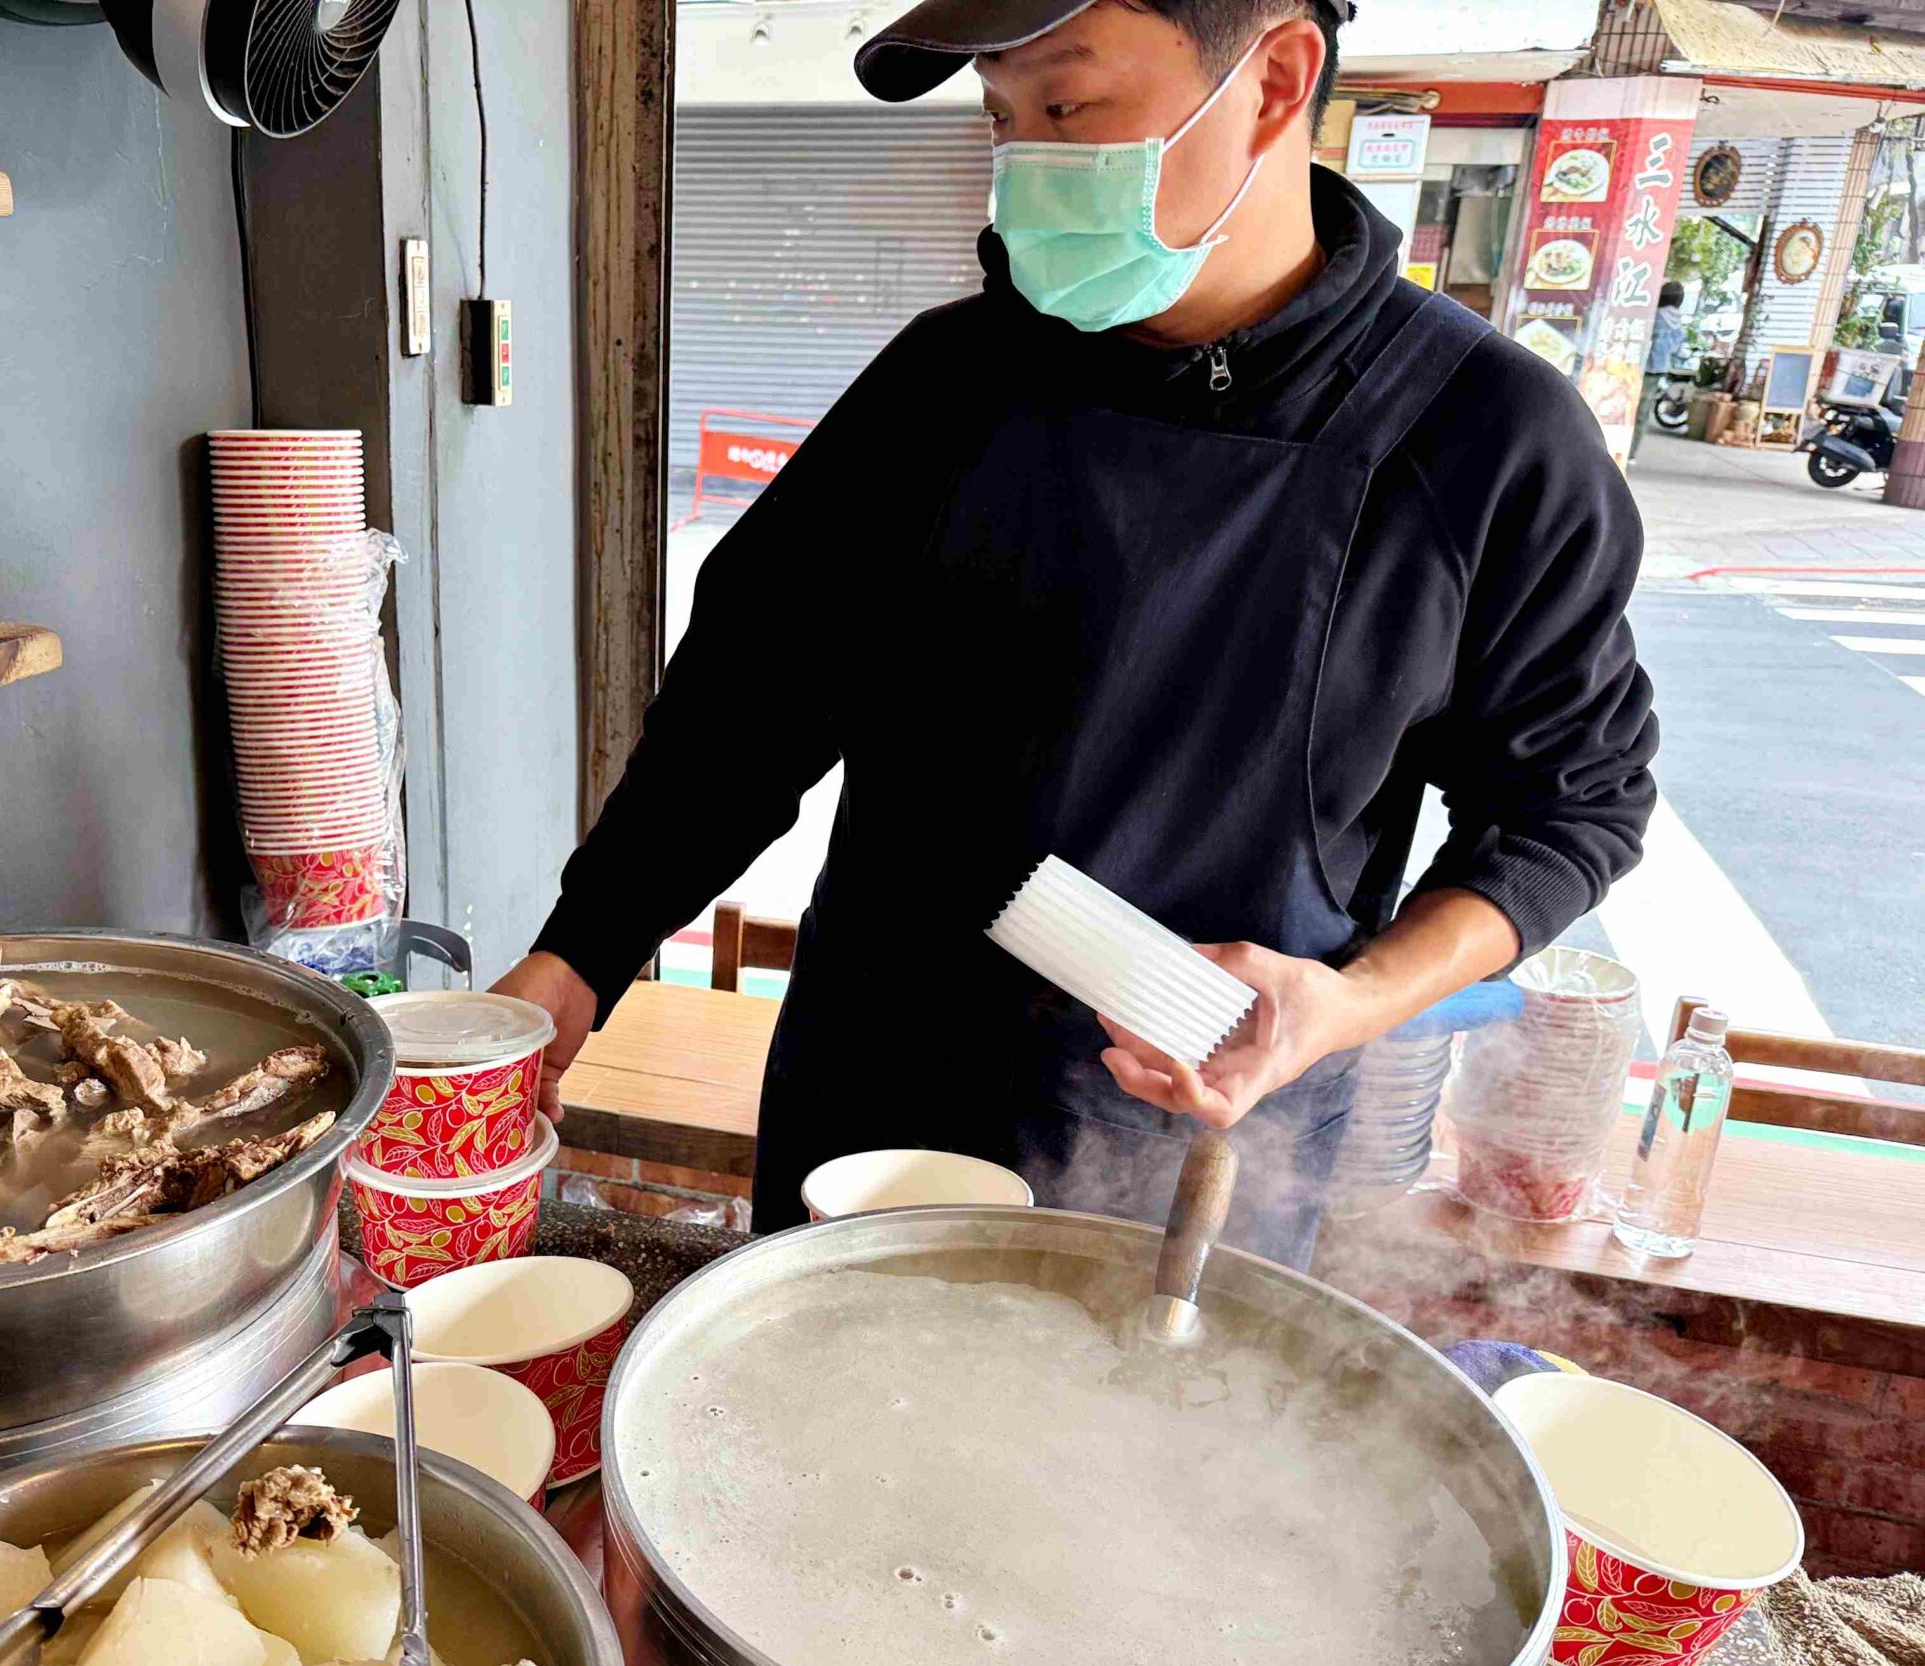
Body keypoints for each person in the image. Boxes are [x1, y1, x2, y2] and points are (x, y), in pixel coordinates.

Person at [495, 0, 1659, 1265]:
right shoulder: (942, 385)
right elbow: (744, 713)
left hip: (1196, 1151)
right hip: (870, 1112)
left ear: (1273, 80)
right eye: (1001, 115)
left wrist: (1345, 1002)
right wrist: (577, 958)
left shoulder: (1485, 440)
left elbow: (1566, 811)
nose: (1025, 161)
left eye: (1066, 107)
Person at [1636, 280, 1688, 462]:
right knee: (1643, 412)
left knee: (1631, 409)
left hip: (1641, 367)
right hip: (1659, 369)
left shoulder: (1655, 315)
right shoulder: (1678, 321)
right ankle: (1632, 452)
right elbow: (1676, 348)